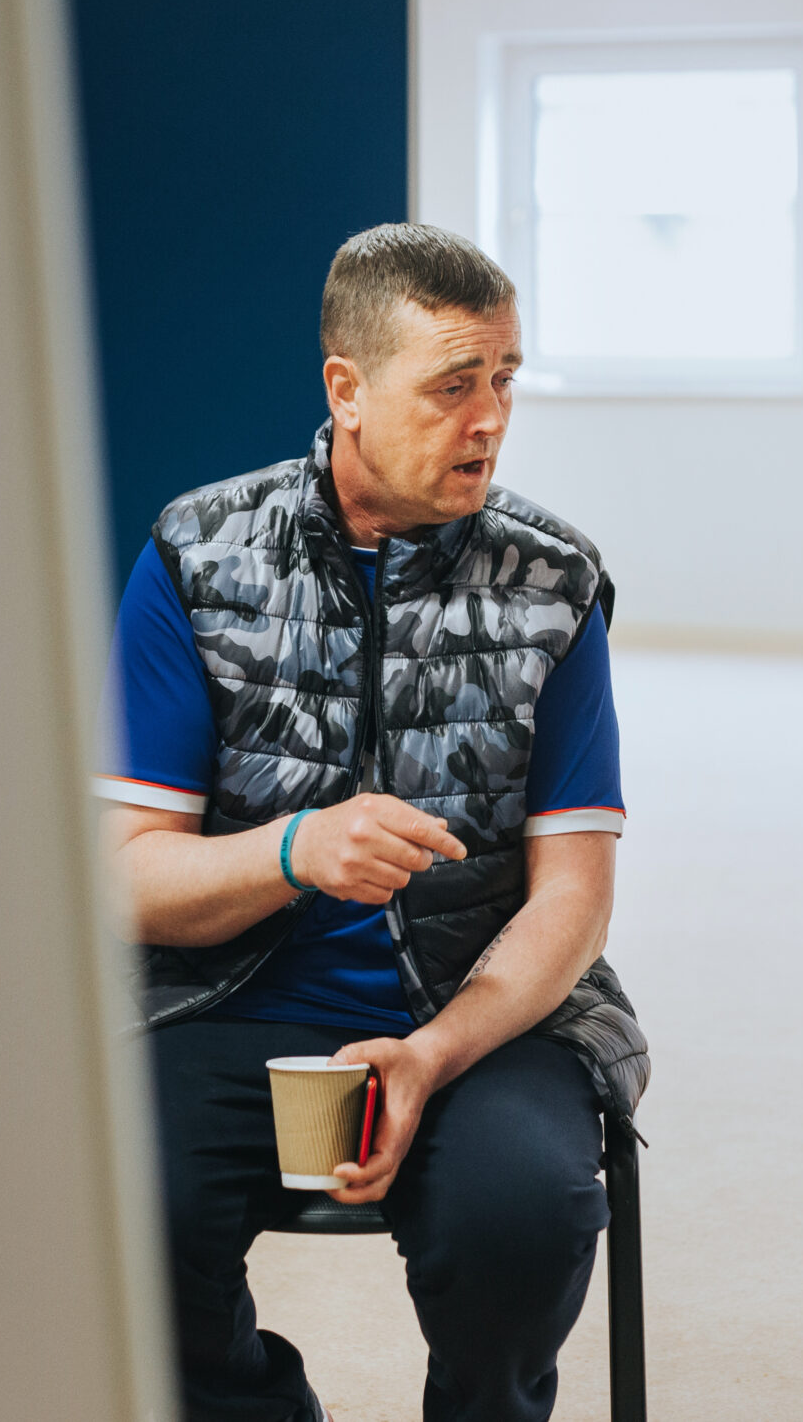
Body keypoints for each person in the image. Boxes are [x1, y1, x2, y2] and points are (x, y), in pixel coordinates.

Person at [99, 223, 645, 1422]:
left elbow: (573, 896)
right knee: (118, 1208)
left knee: (527, 1217)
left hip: (479, 1016)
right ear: (345, 389)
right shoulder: (197, 558)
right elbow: (124, 879)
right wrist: (295, 850)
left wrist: (433, 1052)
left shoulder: (554, 585)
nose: (490, 418)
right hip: (219, 999)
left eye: (503, 380)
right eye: (453, 386)